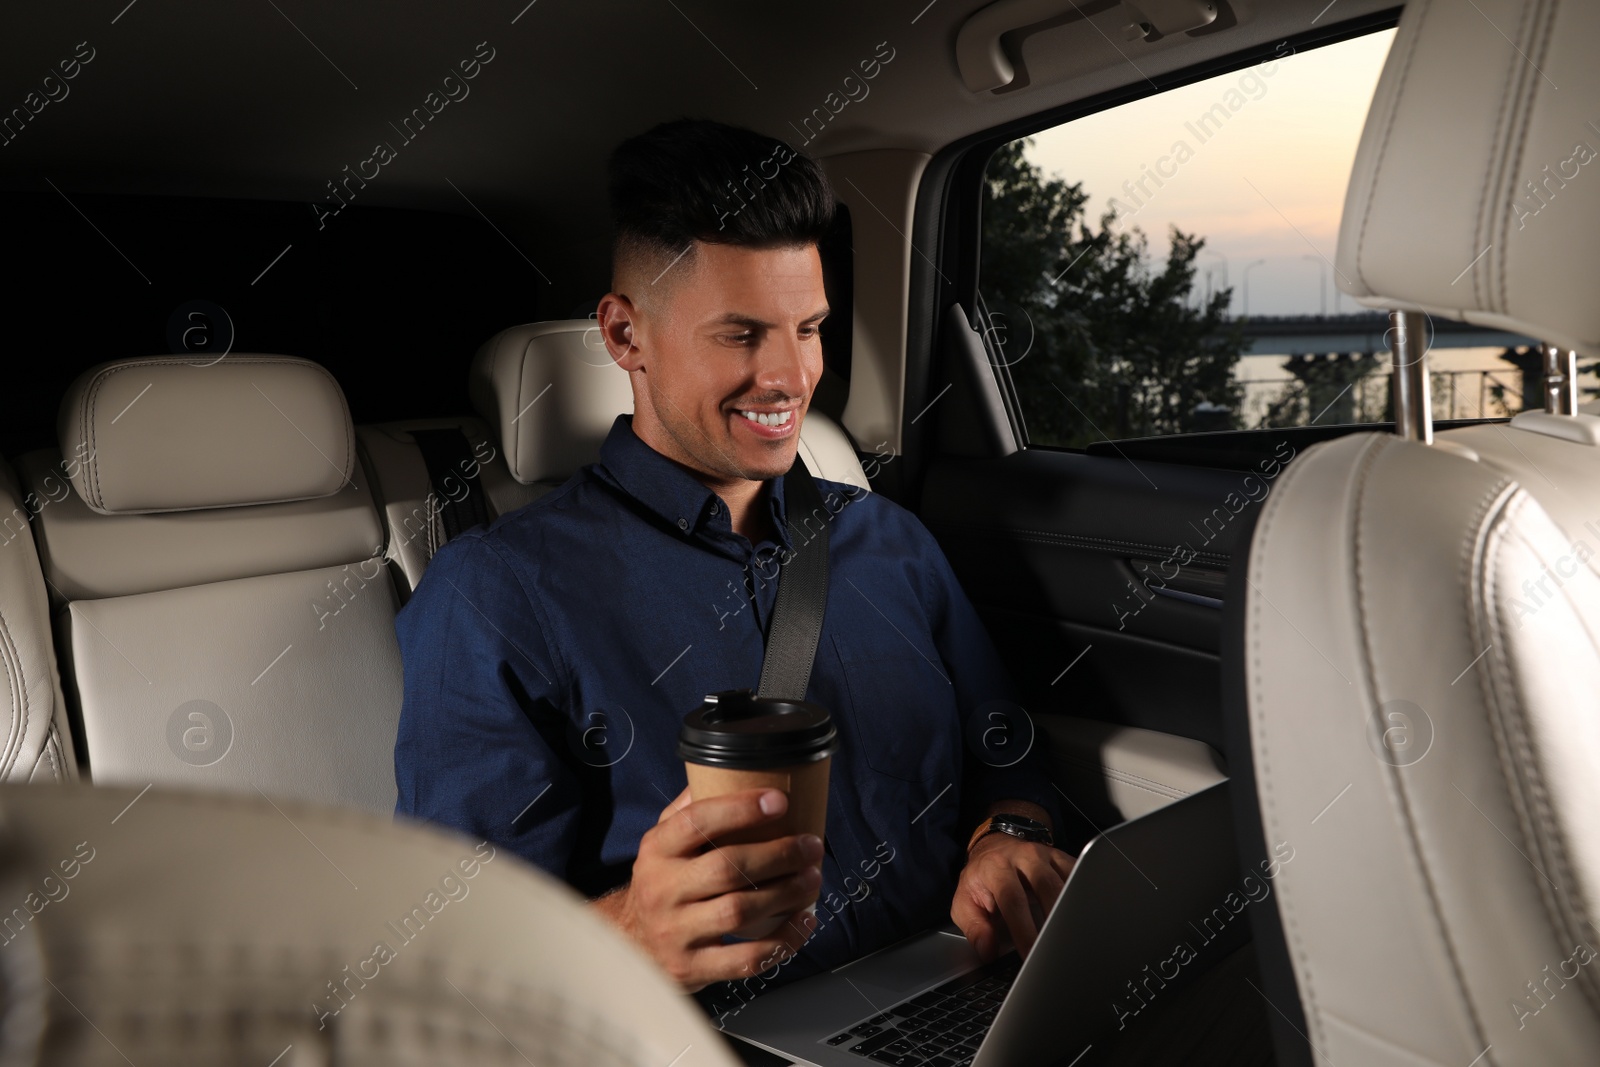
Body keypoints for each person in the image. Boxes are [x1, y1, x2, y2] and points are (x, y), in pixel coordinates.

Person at [392, 117, 1084, 1021]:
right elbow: (460, 951)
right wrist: (636, 933)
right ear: (624, 334)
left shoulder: (892, 543)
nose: (792, 375)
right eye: (741, 334)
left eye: (810, 327)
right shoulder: (496, 594)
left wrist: (1009, 839)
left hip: (958, 1001)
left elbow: (1011, 767)